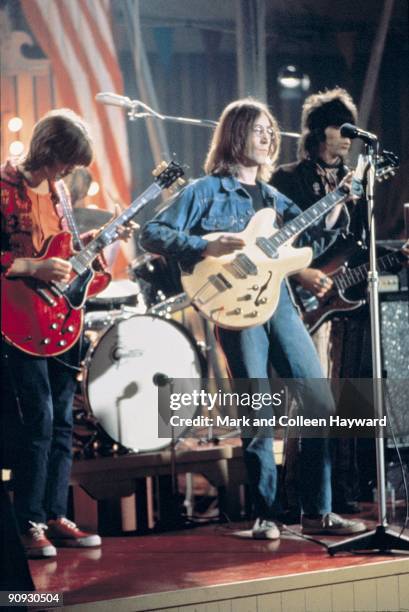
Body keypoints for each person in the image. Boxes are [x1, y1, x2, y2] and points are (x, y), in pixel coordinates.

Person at [140, 98, 367, 539]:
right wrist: (205, 246)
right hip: (235, 305)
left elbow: (313, 237)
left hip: (278, 300)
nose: (268, 136)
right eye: (258, 129)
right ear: (236, 133)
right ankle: (266, 513)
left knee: (318, 398)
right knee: (258, 408)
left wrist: (340, 200)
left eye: (270, 129)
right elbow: (153, 233)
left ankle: (318, 511)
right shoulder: (205, 190)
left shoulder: (273, 197)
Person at [0, 108, 134, 558]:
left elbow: (66, 250)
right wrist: (32, 266)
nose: (71, 172)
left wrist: (101, 239)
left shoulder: (59, 193)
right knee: (37, 419)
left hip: (58, 319)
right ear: (49, 150)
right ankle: (29, 522)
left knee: (62, 420)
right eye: (68, 161)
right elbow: (27, 260)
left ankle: (55, 514)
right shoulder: (3, 188)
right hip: (17, 320)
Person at [271, 88, 366, 514]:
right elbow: (269, 244)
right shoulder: (286, 178)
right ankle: (295, 494)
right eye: (339, 129)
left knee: (341, 398)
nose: (348, 138)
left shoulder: (356, 182)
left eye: (351, 130)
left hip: (341, 302)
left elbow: (358, 241)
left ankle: (336, 489)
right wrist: (302, 274)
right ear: (317, 131)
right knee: (304, 399)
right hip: (295, 295)